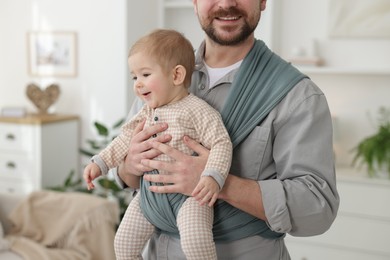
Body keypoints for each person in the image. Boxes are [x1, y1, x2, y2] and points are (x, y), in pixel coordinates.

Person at [113, 0, 340, 259]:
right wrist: (129, 164)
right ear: (195, 2)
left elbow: (317, 209)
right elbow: (127, 178)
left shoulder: (296, 95)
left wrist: (221, 183)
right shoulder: (158, 75)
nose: (226, 3)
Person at [83, 29, 232, 260]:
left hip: (190, 197)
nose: (137, 84)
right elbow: (124, 141)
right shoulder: (146, 111)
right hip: (149, 196)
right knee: (123, 245)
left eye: (145, 75)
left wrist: (212, 176)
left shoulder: (198, 110)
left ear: (176, 75)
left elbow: (222, 143)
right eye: (134, 77)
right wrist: (100, 163)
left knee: (196, 243)